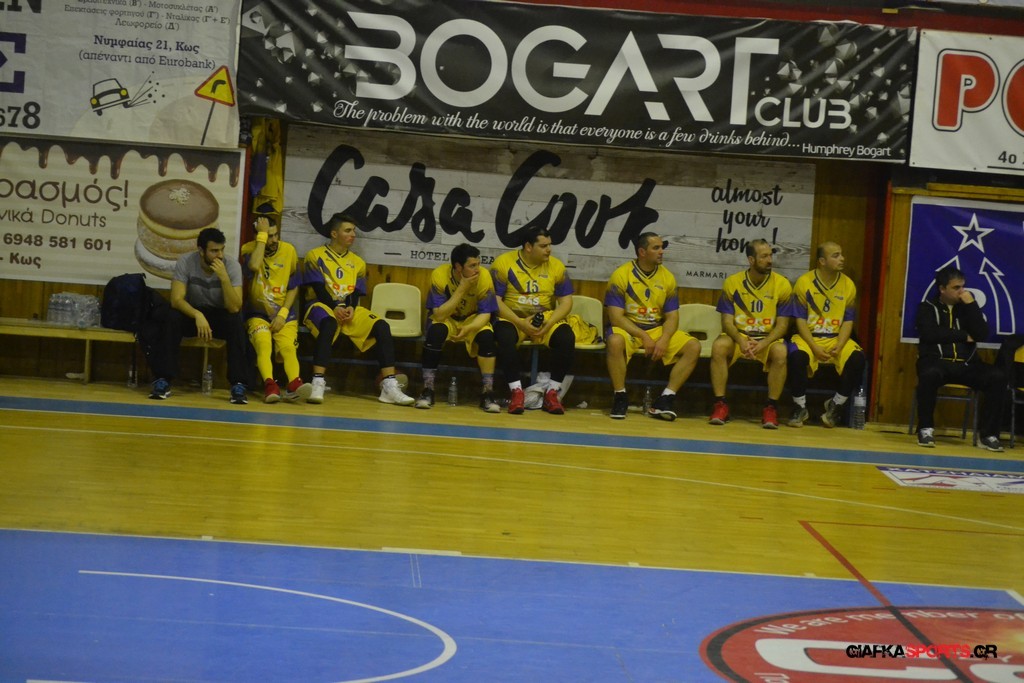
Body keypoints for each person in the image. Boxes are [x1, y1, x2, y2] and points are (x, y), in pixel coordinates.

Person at [301, 212, 415, 406]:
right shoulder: (315, 256)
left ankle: (389, 386)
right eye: (348, 230)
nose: (353, 234)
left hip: (347, 309)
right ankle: (317, 382)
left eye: (354, 230)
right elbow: (318, 289)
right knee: (329, 323)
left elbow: (356, 293)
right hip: (321, 305)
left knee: (381, 326)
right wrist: (334, 307)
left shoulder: (358, 262)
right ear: (334, 233)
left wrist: (352, 308)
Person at [604, 232, 701, 420]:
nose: (661, 251)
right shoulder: (621, 275)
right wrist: (643, 336)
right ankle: (620, 396)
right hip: (629, 328)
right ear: (642, 252)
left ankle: (666, 399)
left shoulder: (668, 278)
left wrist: (664, 339)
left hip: (656, 328)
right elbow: (616, 317)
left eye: (662, 247)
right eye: (656, 248)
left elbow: (672, 317)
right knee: (615, 341)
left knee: (693, 346)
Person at [148, 227, 250, 404]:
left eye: (222, 250)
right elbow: (176, 299)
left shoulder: (231, 266)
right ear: (201, 251)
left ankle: (238, 384)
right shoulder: (186, 262)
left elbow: (234, 307)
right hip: (193, 314)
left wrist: (224, 278)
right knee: (172, 317)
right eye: (214, 251)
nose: (219, 255)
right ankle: (163, 379)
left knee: (236, 322)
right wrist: (197, 315)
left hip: (219, 314)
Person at [914, 266, 1005, 451]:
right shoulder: (927, 308)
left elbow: (981, 334)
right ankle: (925, 429)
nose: (962, 291)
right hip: (937, 362)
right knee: (928, 374)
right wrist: (963, 335)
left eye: (963, 286)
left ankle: (988, 434)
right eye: (956, 287)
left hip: (967, 364)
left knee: (998, 377)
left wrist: (972, 305)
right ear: (942, 288)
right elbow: (930, 334)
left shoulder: (967, 309)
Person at [491, 226, 575, 415]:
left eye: (550, 245)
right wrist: (520, 322)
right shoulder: (503, 263)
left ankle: (552, 392)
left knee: (566, 337)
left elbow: (566, 302)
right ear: (528, 247)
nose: (549, 250)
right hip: (513, 318)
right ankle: (516, 392)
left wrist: (550, 322)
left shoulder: (556, 266)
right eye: (543, 246)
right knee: (504, 336)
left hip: (544, 318)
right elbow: (495, 301)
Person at [709, 238, 792, 428]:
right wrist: (741, 340)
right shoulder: (732, 282)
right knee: (719, 347)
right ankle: (720, 405)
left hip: (767, 339)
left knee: (781, 352)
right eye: (764, 256)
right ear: (751, 260)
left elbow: (782, 326)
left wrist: (763, 343)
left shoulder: (782, 284)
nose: (769, 260)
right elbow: (726, 322)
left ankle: (771, 408)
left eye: (770, 255)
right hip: (739, 337)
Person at [785, 241, 866, 428]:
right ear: (822, 261)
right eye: (835, 255)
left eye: (841, 254)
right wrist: (814, 346)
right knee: (797, 357)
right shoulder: (804, 282)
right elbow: (800, 320)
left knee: (858, 358)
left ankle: (836, 405)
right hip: (808, 337)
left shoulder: (848, 285)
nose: (842, 258)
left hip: (835, 337)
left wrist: (840, 344)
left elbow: (848, 321)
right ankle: (800, 407)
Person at [414, 244, 500, 412]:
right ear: (458, 267)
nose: (477, 269)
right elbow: (439, 315)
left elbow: (486, 314)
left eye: (478, 264)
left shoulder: (484, 276)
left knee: (487, 337)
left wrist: (470, 328)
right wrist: (462, 288)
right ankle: (428, 390)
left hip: (472, 319)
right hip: (448, 318)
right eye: (472, 265)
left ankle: (487, 392)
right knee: (435, 332)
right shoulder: (440, 275)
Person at [240, 215, 312, 404]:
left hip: (284, 313)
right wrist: (261, 237)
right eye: (268, 236)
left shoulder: (289, 250)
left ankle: (294, 385)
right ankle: (270, 385)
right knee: (263, 343)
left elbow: (294, 286)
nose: (273, 240)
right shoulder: (248, 249)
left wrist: (282, 314)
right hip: (257, 313)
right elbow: (254, 265)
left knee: (288, 348)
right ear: (258, 236)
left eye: (275, 235)